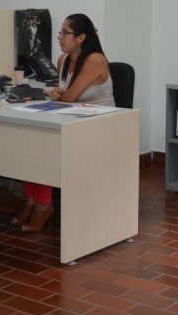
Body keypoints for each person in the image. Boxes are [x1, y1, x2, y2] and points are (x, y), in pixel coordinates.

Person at [11, 14, 114, 232]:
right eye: (60, 32)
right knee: (32, 143)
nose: (59, 37)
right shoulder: (63, 60)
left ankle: (44, 206)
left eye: (65, 33)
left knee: (47, 148)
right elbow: (65, 95)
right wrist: (55, 92)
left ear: (81, 38)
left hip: (100, 126)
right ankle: (32, 201)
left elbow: (69, 97)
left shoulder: (95, 60)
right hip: (73, 120)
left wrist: (60, 95)